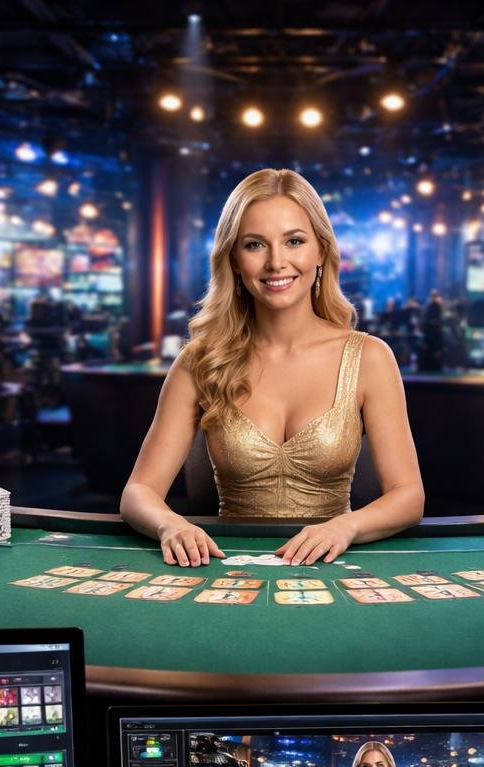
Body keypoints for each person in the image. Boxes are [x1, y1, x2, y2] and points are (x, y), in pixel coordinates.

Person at [120, 168, 424, 567]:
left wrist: (344, 527)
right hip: (227, 568)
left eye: (294, 241)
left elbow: (408, 495)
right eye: (254, 245)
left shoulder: (370, 357)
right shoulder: (200, 361)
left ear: (321, 251)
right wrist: (169, 524)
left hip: (334, 565)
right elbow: (139, 491)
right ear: (233, 259)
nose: (276, 262)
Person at [418, 290, 446, 372]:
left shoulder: (435, 305)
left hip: (434, 331)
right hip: (432, 331)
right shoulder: (431, 305)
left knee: (435, 351)